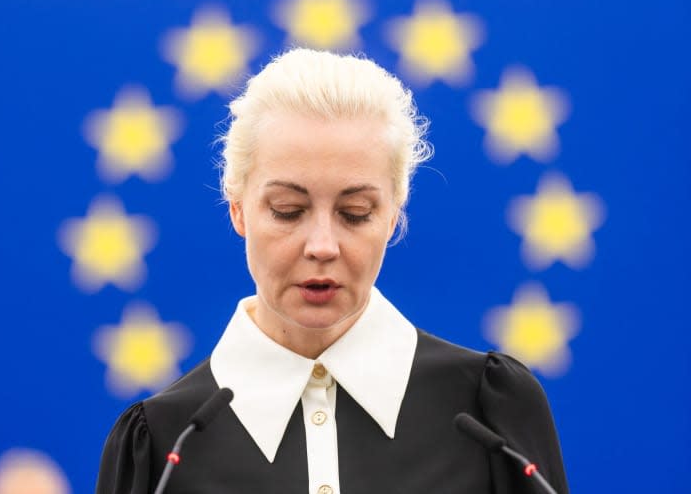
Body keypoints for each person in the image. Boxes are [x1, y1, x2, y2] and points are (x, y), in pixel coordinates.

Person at [95, 48, 569, 494]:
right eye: (287, 210)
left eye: (356, 212)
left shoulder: (490, 411)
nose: (322, 246)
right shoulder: (162, 444)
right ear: (238, 209)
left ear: (393, 215)